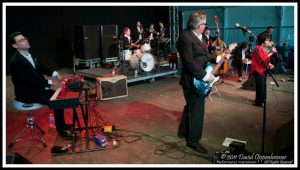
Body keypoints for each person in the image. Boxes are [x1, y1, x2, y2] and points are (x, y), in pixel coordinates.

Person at [177, 11, 230, 154]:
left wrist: (217, 59)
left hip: (199, 77)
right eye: (204, 23)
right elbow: (188, 62)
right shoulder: (185, 38)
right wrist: (206, 77)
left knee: (191, 107)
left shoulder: (200, 37)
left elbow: (205, 55)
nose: (206, 25)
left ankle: (183, 132)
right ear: (199, 25)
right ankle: (193, 141)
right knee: (197, 111)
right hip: (192, 80)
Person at [8, 32, 72, 138]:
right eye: (21, 40)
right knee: (58, 102)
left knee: (61, 98)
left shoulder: (29, 55)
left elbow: (40, 67)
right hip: (28, 93)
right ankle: (62, 130)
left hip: (38, 88)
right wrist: (52, 83)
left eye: (25, 38)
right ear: (15, 46)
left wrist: (55, 74)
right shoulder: (16, 62)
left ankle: (62, 125)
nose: (25, 41)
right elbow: (31, 80)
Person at [250, 33, 275, 107]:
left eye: (268, 40)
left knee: (263, 86)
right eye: (267, 40)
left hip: (261, 69)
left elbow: (263, 59)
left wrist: (269, 64)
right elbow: (262, 59)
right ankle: (259, 102)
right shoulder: (258, 48)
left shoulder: (261, 49)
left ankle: (262, 100)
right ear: (262, 41)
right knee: (260, 86)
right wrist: (271, 53)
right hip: (258, 70)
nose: (268, 42)